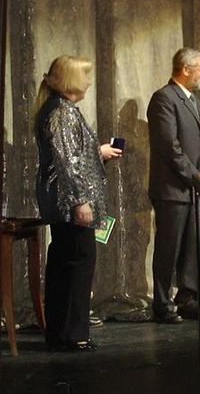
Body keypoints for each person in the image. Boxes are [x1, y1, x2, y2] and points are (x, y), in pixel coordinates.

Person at [35, 55, 122, 351]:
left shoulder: (61, 110)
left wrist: (98, 152)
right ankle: (73, 334)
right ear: (71, 80)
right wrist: (80, 202)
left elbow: (72, 155)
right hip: (69, 204)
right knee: (77, 265)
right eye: (84, 76)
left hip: (65, 202)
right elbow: (67, 163)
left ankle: (62, 333)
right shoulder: (62, 113)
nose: (88, 81)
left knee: (66, 264)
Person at [147, 48, 200, 323]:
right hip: (172, 190)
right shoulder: (164, 98)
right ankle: (162, 304)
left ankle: (187, 298)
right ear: (185, 69)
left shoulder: (194, 101)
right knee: (168, 248)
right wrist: (194, 176)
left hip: (194, 187)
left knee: (191, 248)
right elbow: (169, 146)